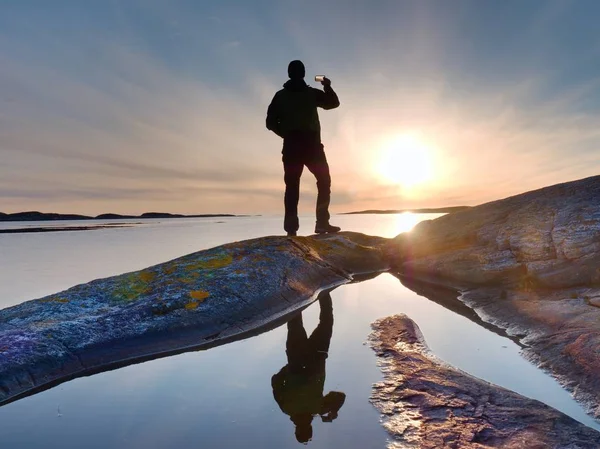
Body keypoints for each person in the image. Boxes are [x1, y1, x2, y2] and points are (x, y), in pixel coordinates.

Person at [266, 60, 342, 237]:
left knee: (292, 187)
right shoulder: (310, 93)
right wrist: (327, 86)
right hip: (312, 146)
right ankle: (322, 223)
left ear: (289, 74)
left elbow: (270, 123)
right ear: (303, 73)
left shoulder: (280, 96)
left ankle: (291, 230)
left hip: (292, 147)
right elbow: (333, 103)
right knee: (324, 182)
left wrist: (285, 133)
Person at [271, 292, 346, 444]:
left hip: (315, 356)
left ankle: (322, 288)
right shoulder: (288, 408)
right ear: (296, 429)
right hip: (300, 357)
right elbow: (276, 381)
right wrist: (290, 367)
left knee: (325, 320)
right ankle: (305, 286)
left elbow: (340, 396)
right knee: (296, 321)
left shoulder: (318, 408)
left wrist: (334, 411)